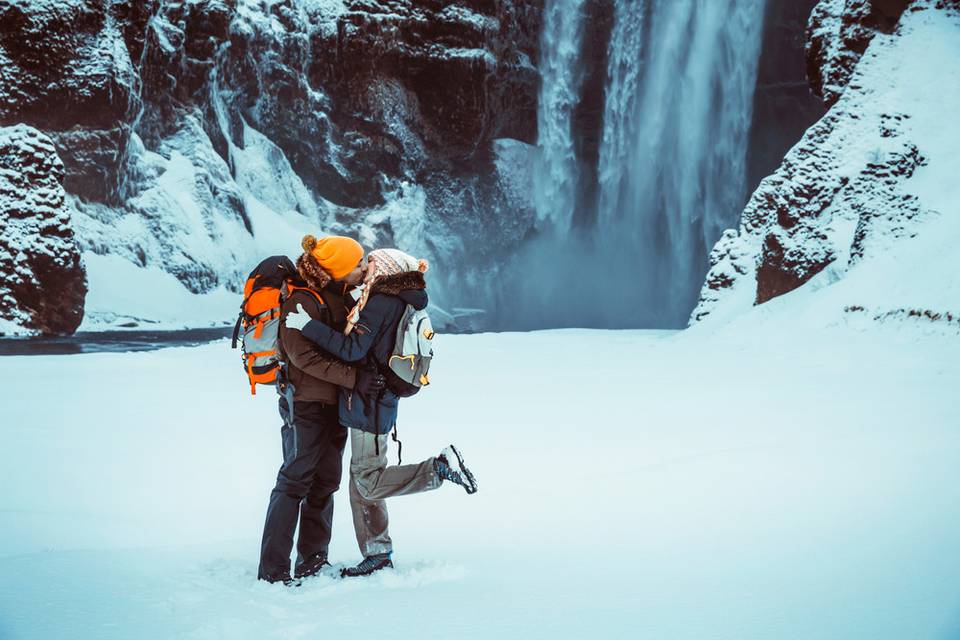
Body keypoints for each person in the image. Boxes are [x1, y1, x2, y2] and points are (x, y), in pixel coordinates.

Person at [285, 248, 477, 578]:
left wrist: (307, 326)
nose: (365, 267)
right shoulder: (401, 298)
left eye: (370, 262)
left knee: (368, 482)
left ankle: (438, 468)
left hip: (368, 403)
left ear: (386, 267)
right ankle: (376, 551)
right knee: (360, 482)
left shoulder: (381, 301)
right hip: (375, 400)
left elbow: (352, 349)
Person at [257, 235, 386, 585]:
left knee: (326, 481)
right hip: (304, 403)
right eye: (357, 264)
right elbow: (303, 356)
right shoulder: (301, 300)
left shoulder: (342, 298)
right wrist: (352, 378)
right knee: (295, 479)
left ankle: (313, 560)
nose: (362, 269)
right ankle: (273, 570)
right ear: (338, 269)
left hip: (335, 404)